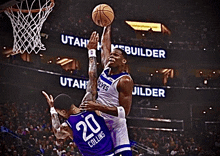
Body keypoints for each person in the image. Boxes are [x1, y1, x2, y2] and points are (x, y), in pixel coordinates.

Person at [42, 32, 114, 156]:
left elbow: (57, 133)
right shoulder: (88, 104)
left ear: (63, 112)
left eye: (60, 113)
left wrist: (52, 110)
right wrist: (91, 51)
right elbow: (93, 78)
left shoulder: (67, 126)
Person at [80, 25, 134, 156]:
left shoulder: (125, 81)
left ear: (124, 61)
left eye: (115, 55)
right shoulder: (106, 67)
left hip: (116, 125)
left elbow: (124, 112)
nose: (111, 56)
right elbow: (105, 44)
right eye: (111, 54)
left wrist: (98, 106)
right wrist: (107, 25)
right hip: (100, 121)